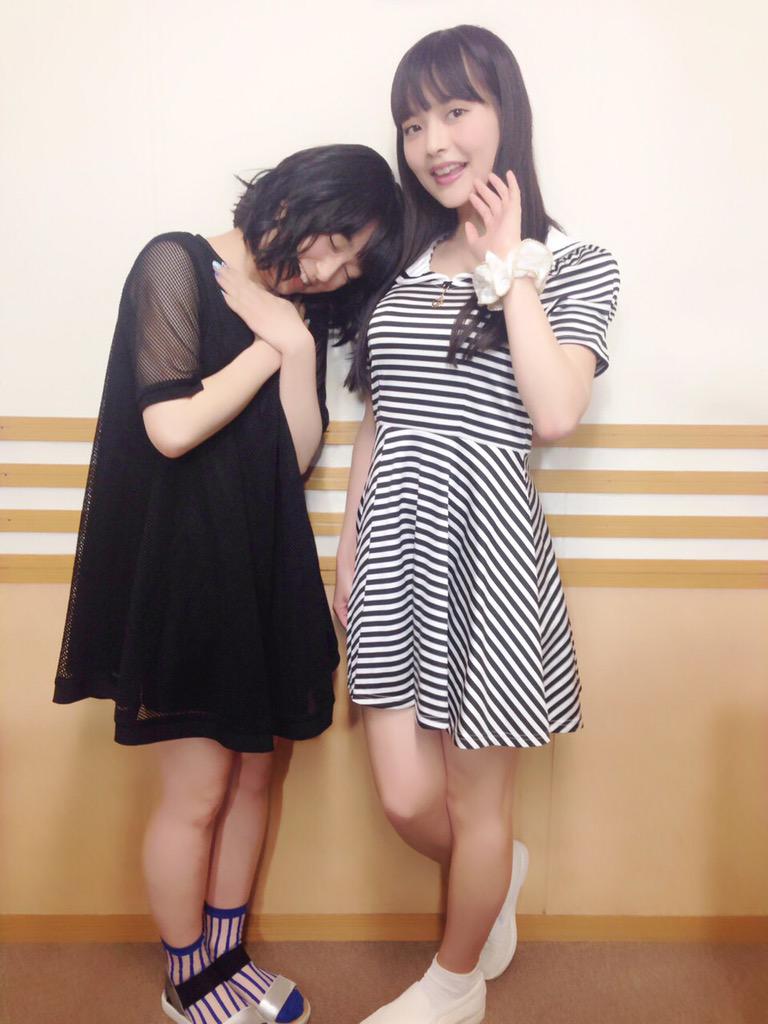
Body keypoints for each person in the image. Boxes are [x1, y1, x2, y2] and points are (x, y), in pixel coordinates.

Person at [54, 144, 402, 1024]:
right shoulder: (173, 261)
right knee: (200, 789)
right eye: (333, 244)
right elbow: (171, 427)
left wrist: (295, 342)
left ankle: (226, 956)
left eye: (349, 267)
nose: (327, 273)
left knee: (255, 779)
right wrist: (270, 343)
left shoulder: (296, 314)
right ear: (293, 198)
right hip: (184, 574)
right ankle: (187, 980)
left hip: (260, 566)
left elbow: (296, 454)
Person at [333, 26, 620, 1024]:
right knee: (406, 797)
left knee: (474, 798)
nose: (433, 142)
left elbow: (555, 412)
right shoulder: (404, 261)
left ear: (506, 113)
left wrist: (511, 270)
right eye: (414, 123)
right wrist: (348, 544)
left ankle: (454, 986)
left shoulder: (577, 263)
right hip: (393, 545)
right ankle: (495, 877)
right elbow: (380, 414)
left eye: (455, 111)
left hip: (490, 552)